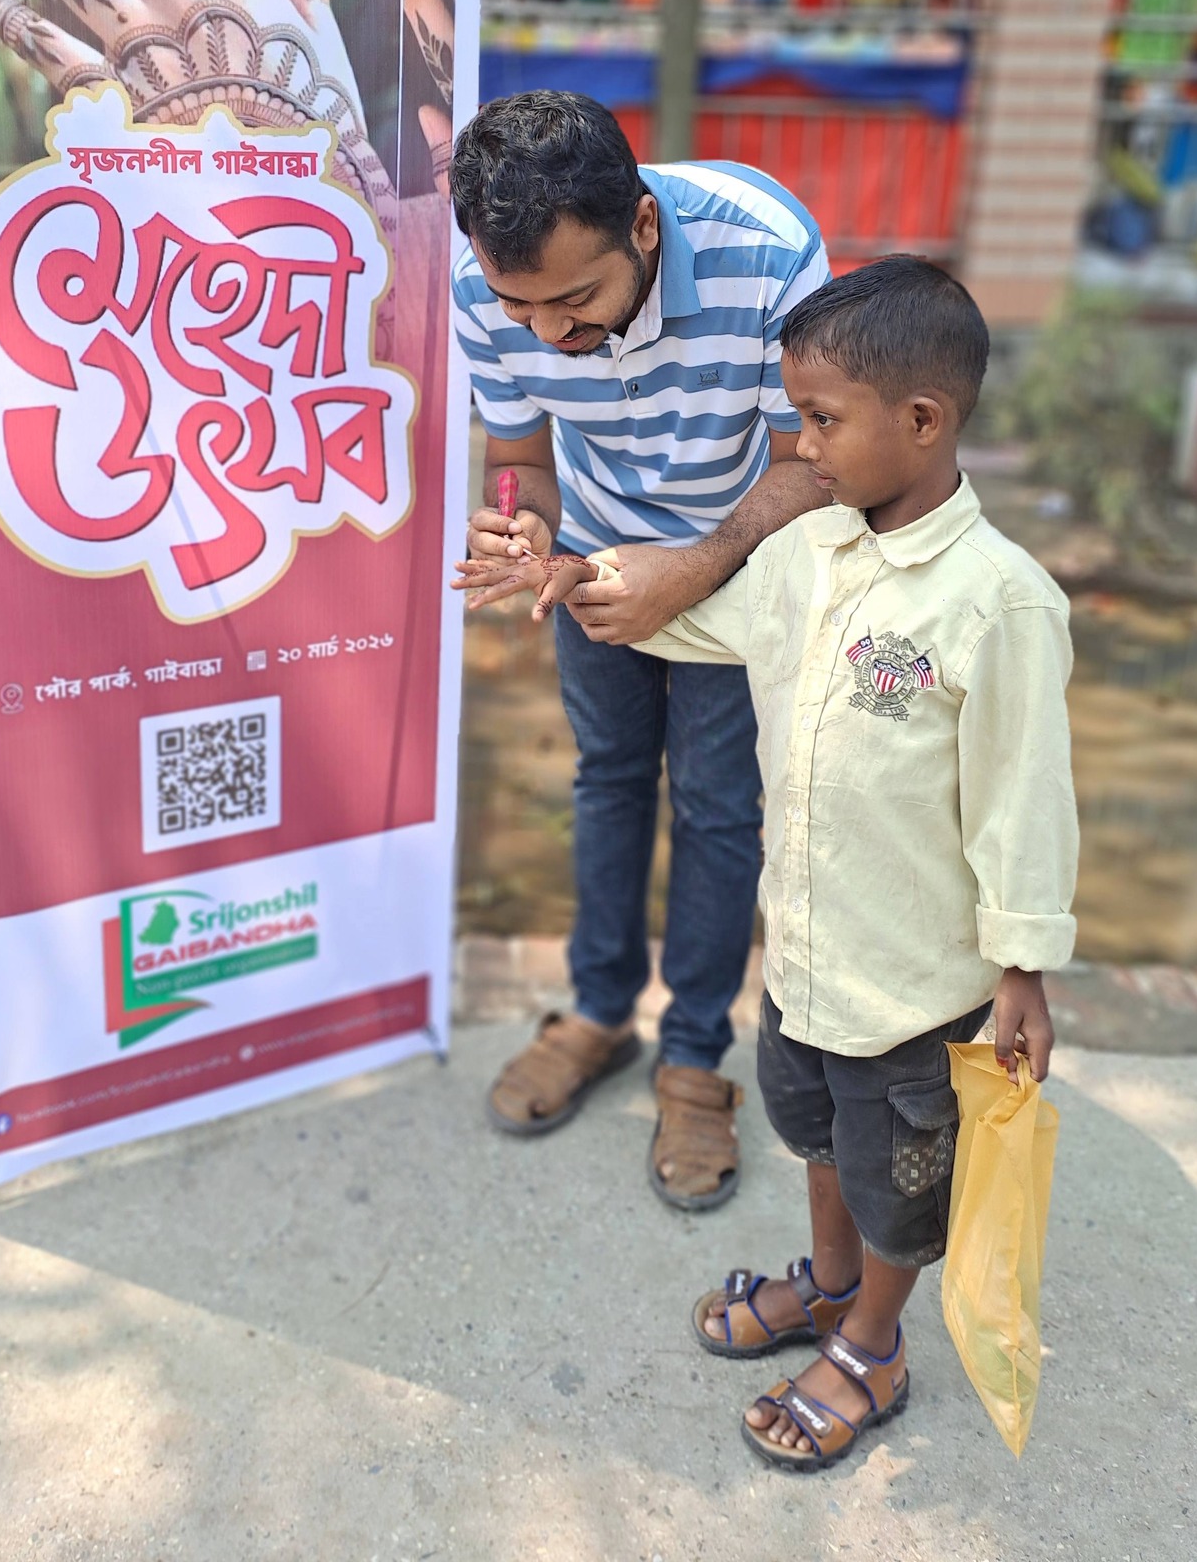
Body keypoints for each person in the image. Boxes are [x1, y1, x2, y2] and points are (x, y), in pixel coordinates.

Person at [466, 256, 1077, 1471]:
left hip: (914, 986)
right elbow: (699, 618)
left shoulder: (998, 602)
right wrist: (575, 576)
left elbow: (1026, 798)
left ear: (922, 420)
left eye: (820, 420)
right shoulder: (809, 552)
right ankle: (832, 1282)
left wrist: (1024, 969)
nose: (799, 445)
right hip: (801, 959)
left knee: (898, 1174)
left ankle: (875, 1344)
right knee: (814, 1134)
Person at [449, 91, 829, 1207]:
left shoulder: (766, 250)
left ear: (645, 228)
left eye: (577, 298)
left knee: (718, 805)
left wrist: (700, 563)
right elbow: (517, 449)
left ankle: (696, 1053)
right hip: (597, 565)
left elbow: (810, 462)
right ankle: (601, 1009)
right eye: (523, 308)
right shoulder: (488, 281)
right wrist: (526, 523)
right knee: (608, 777)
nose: (551, 333)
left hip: (746, 553)